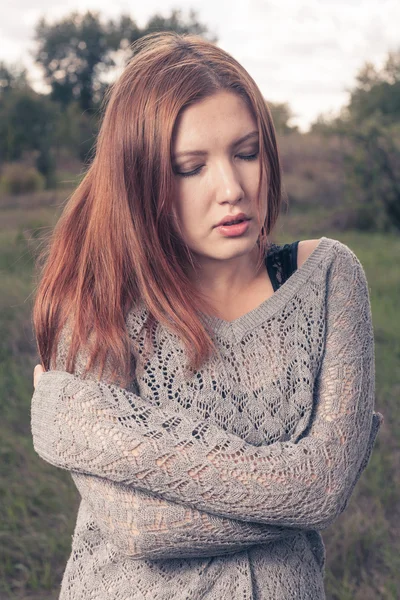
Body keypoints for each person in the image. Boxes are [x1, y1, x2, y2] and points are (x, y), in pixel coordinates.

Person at [31, 31, 383, 600]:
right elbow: (136, 528)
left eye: (246, 153)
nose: (231, 188)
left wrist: (318, 486)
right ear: (141, 178)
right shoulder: (100, 302)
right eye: (191, 167)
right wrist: (302, 485)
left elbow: (321, 489)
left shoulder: (326, 279)